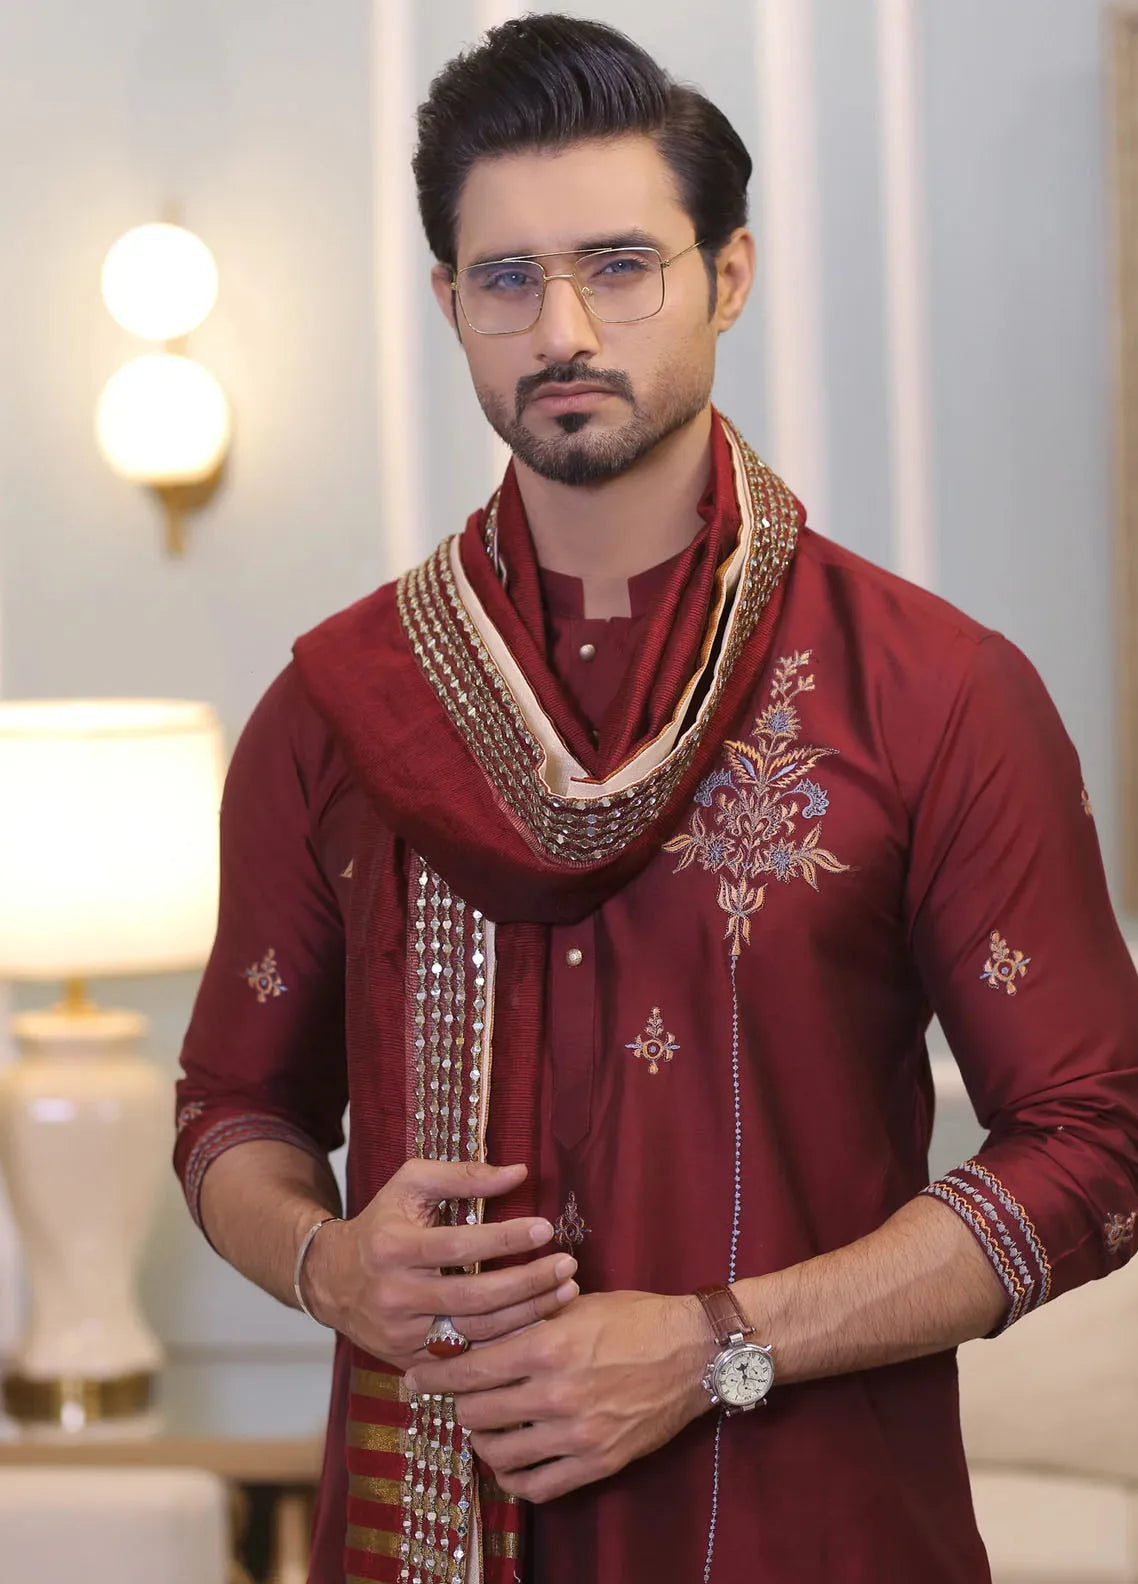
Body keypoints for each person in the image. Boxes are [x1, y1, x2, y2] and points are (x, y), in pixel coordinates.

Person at [175, 15, 1138, 1584]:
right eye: (506, 279)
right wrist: (323, 1261)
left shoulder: (930, 694)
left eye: (620, 267)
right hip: (430, 1529)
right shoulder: (341, 711)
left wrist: (716, 1344)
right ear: (448, 303)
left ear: (727, 276)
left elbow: (1097, 1139)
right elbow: (231, 1109)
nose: (561, 327)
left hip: (809, 1536)